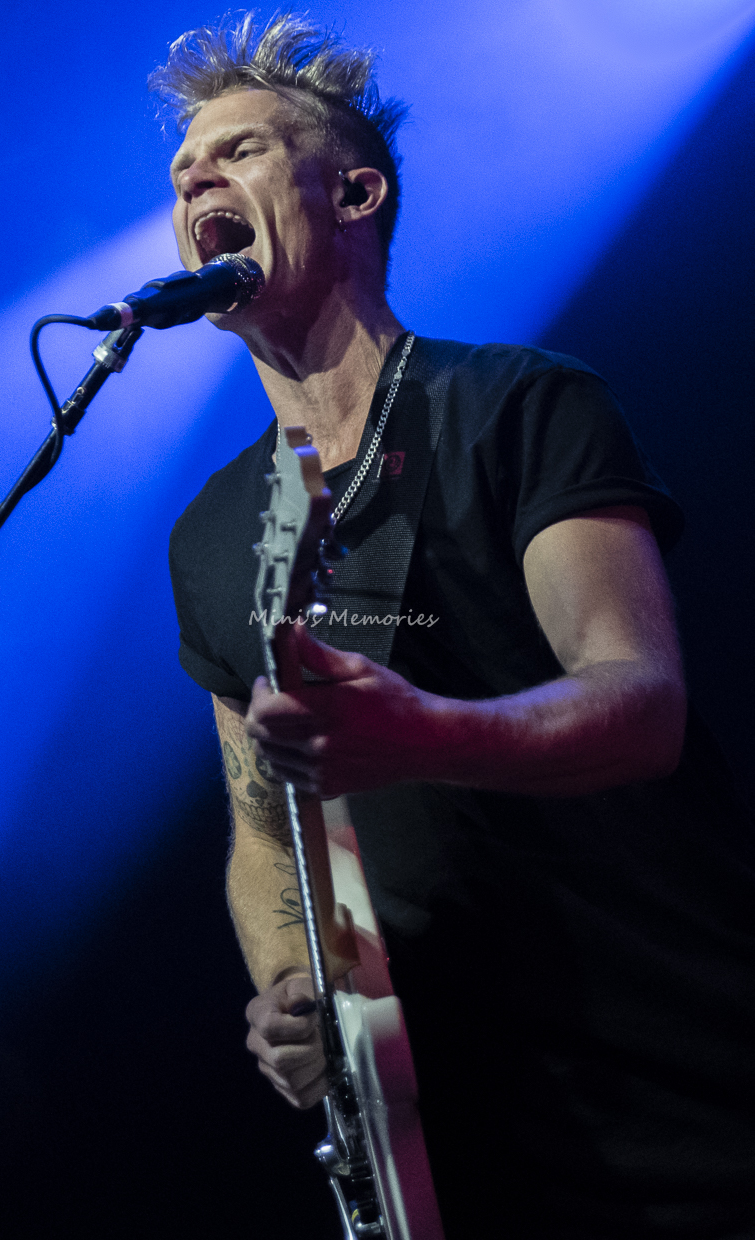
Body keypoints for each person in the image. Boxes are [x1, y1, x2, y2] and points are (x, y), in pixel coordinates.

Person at [153, 14, 755, 1238]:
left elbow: (641, 702)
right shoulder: (212, 530)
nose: (198, 180)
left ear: (356, 193)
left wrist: (424, 733)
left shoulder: (521, 404)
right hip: (455, 1143)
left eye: (241, 151)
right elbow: (263, 826)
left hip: (679, 1093)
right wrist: (293, 987)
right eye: (183, 172)